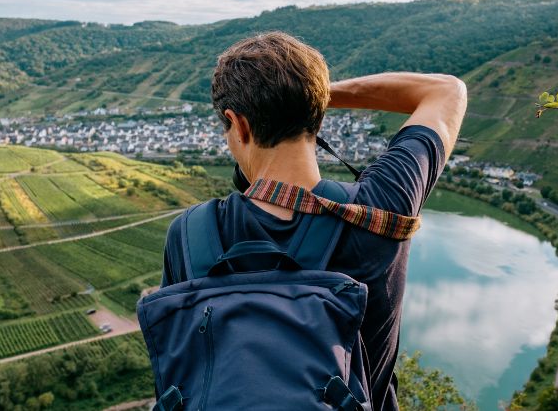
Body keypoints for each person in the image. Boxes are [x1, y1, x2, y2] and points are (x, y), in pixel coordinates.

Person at [160, 31, 467, 410]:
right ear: (317, 115)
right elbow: (446, 91)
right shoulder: (379, 209)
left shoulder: (189, 234)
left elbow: (179, 366)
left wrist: (275, 100)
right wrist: (312, 95)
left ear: (237, 124)